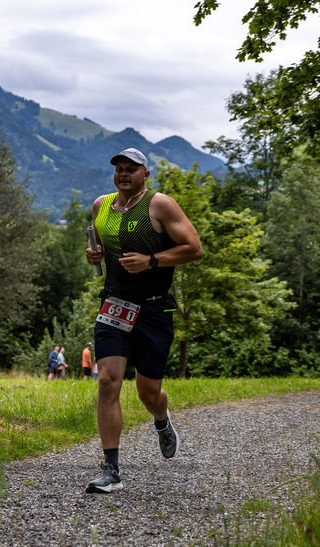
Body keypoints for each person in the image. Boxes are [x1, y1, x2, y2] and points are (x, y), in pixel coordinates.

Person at [83, 148, 203, 493]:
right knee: (107, 380)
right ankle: (111, 469)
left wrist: (152, 260)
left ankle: (162, 421)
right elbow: (101, 251)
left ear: (145, 174)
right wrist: (93, 255)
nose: (124, 174)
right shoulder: (100, 206)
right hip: (115, 305)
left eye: (131, 169)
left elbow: (194, 248)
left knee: (149, 394)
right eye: (119, 169)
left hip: (153, 309)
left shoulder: (159, 204)